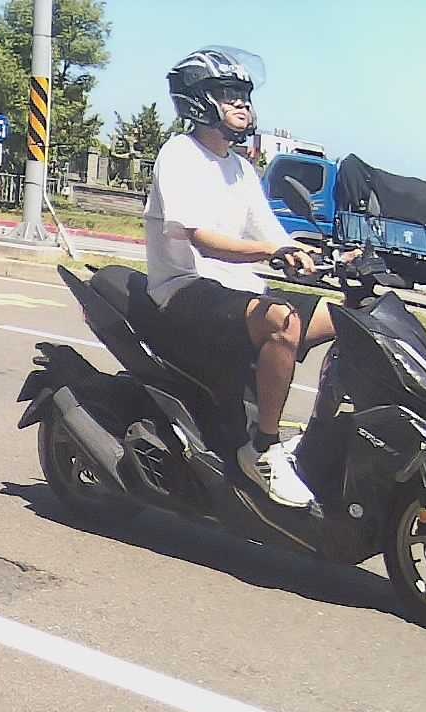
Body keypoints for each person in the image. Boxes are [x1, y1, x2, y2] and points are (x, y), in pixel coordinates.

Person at [146, 48, 337, 508]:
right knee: (282, 321)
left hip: (236, 292)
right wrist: (274, 251)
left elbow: (271, 235)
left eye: (244, 95)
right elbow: (204, 241)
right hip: (184, 291)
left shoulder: (241, 168)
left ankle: (324, 437)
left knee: (347, 317)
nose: (242, 104)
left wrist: (321, 255)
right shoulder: (180, 155)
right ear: (198, 101)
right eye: (228, 94)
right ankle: (264, 449)